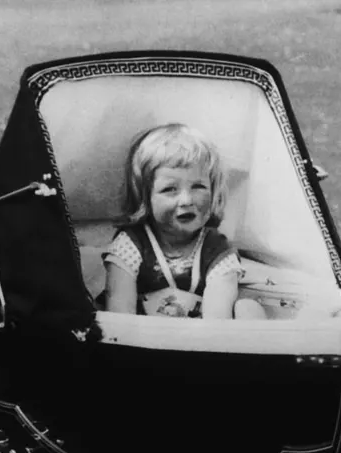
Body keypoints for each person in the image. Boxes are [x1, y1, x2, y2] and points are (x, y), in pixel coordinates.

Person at [103, 122, 265, 320]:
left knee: (248, 309)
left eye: (198, 186)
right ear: (145, 197)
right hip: (141, 341)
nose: (187, 200)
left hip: (198, 342)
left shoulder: (217, 249)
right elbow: (119, 319)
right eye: (170, 189)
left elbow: (217, 325)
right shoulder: (131, 244)